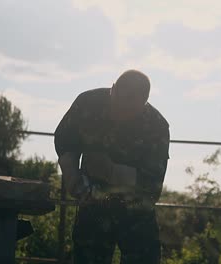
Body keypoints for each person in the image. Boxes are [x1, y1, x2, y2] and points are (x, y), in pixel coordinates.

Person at [54, 70, 170, 264]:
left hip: (136, 212)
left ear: (143, 104)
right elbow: (65, 141)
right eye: (117, 105)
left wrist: (110, 171)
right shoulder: (87, 103)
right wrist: (72, 176)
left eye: (128, 111)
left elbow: (151, 186)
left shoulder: (156, 126)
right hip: (93, 205)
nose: (119, 114)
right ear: (113, 89)